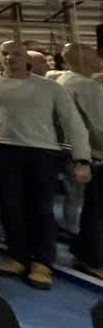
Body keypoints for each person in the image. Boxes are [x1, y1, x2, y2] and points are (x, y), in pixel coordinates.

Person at [0, 40, 91, 289]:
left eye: (16, 54)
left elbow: (72, 122)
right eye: (5, 54)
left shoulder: (50, 88)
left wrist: (82, 159)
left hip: (42, 154)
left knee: (41, 209)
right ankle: (18, 256)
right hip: (2, 152)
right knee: (9, 207)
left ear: (26, 57)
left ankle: (42, 263)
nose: (10, 58)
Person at [56, 44, 103, 276]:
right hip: (90, 153)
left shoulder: (63, 80)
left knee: (79, 202)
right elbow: (99, 126)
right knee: (94, 209)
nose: (99, 58)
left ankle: (81, 247)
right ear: (83, 59)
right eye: (95, 54)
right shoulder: (86, 86)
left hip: (68, 149)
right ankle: (91, 257)